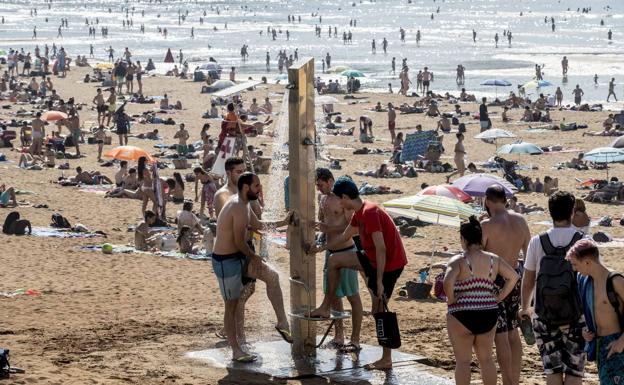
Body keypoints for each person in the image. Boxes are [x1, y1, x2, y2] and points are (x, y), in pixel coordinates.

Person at [308, 176, 407, 370]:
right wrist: (322, 248)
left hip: (389, 264)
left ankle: (386, 359)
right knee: (335, 260)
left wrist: (378, 281)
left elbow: (382, 249)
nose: (339, 203)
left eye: (340, 199)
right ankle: (326, 306)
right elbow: (345, 236)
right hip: (370, 258)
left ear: (345, 197)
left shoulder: (370, 212)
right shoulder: (358, 213)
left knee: (379, 308)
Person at [212, 172, 293, 362]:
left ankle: (282, 322)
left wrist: (283, 222)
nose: (260, 189)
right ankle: (236, 350)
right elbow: (239, 241)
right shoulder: (237, 206)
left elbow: (259, 225)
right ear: (246, 187)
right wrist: (254, 256)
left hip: (241, 255)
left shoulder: (246, 204)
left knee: (272, 277)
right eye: (257, 186)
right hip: (226, 261)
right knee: (231, 307)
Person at [520, 191, 586, 385]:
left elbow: (528, 279)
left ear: (550, 212)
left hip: (544, 314)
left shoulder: (537, 241)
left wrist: (525, 308)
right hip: (576, 315)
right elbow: (592, 280)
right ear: (572, 212)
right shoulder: (583, 241)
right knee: (575, 372)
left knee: (552, 371)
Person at [445, 216, 519, 385]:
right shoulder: (493, 259)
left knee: (463, 362)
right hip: (488, 311)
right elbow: (514, 277)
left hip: (461, 313)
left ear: (463, 239)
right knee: (486, 359)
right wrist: (499, 297)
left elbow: (448, 281)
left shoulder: (458, 260)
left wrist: (451, 300)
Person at [481, 185, 532, 385]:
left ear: (487, 200)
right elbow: (529, 253)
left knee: (500, 335)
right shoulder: (520, 220)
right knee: (513, 332)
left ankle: (508, 381)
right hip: (517, 275)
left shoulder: (487, 225)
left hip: (496, 280)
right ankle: (514, 380)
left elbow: (480, 254)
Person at [315, 168, 363, 352]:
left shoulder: (342, 199)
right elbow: (325, 224)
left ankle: (355, 339)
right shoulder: (323, 198)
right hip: (330, 252)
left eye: (321, 184)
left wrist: (327, 229)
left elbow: (350, 226)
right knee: (333, 295)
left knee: (353, 296)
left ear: (330, 181)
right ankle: (339, 336)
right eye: (317, 185)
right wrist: (321, 235)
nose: (319, 188)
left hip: (346, 250)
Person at [566, 240, 624, 385]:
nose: (574, 269)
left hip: (618, 343)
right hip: (600, 345)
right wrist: (587, 331)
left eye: (575, 264)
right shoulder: (586, 282)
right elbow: (591, 313)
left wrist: (621, 341)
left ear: (587, 262)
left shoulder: (615, 281)